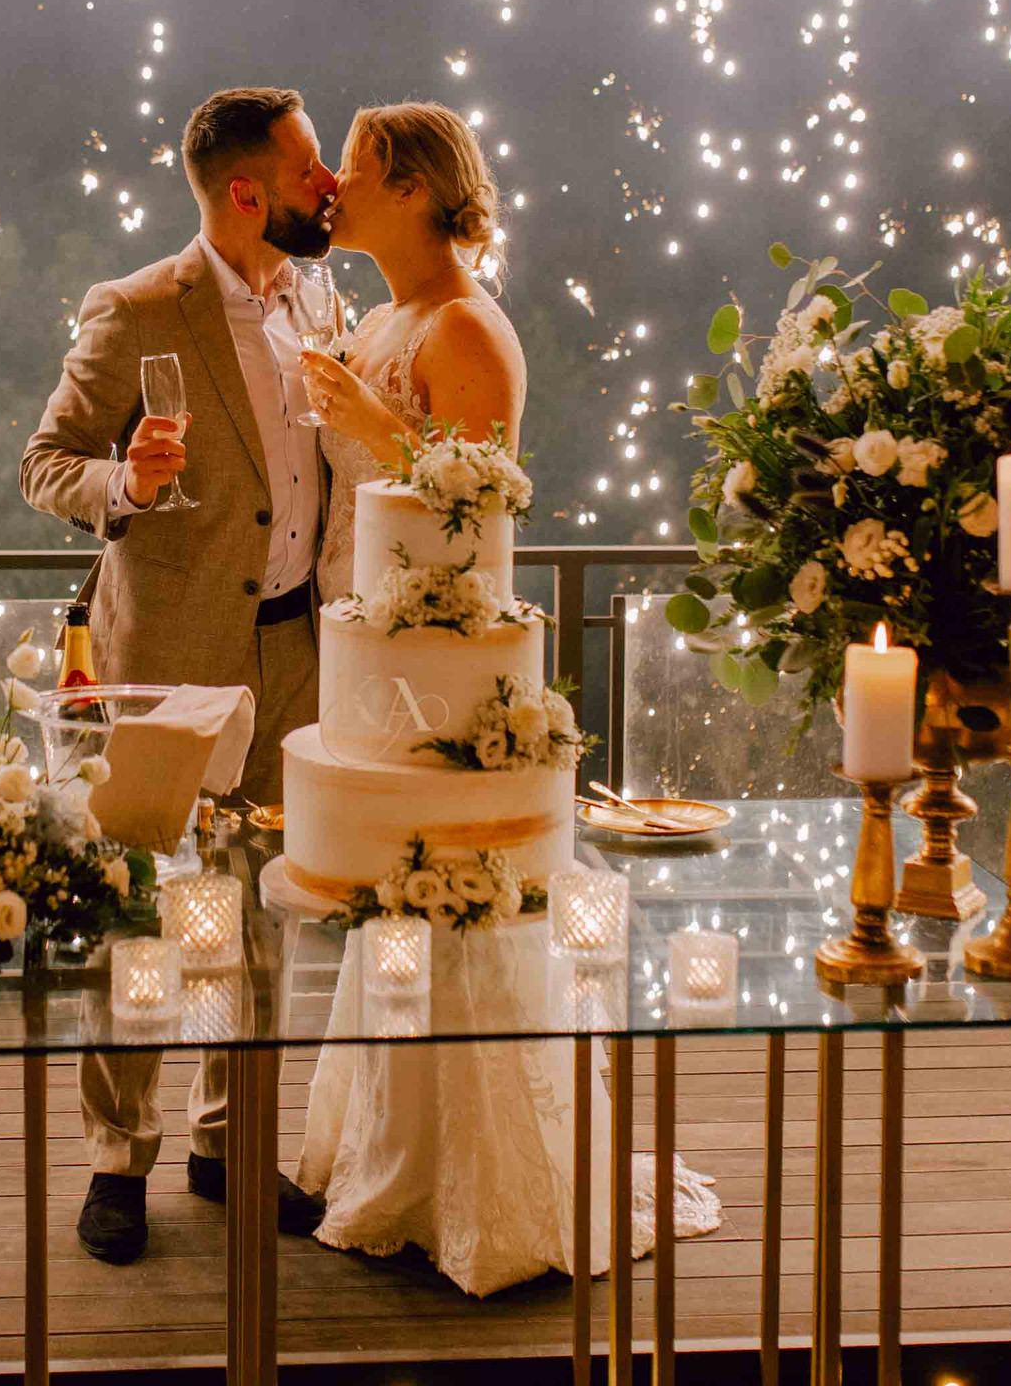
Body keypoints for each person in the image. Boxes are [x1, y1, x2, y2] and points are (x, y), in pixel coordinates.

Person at [296, 101, 721, 1296]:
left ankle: (488, 1179)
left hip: (442, 660)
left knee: (454, 901)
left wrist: (369, 418)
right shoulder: (376, 317)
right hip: (369, 650)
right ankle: (395, 1157)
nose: (332, 186)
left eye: (357, 168)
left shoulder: (468, 327)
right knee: (391, 902)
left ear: (414, 189)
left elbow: (477, 503)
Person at [20, 85, 338, 1266]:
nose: (328, 188)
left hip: (294, 653)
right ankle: (118, 1159)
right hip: (160, 663)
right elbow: (46, 462)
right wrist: (130, 483)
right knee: (140, 920)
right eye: (308, 171)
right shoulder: (139, 306)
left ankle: (227, 1143)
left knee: (261, 915)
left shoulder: (319, 300)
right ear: (246, 192)